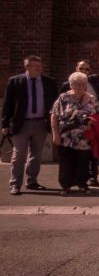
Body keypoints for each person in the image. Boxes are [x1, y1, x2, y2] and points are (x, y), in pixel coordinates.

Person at [2, 55, 59, 195]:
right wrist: (4, 124)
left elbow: (55, 104)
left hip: (41, 123)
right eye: (36, 66)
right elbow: (7, 104)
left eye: (40, 66)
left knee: (36, 154)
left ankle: (32, 181)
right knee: (19, 154)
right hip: (22, 123)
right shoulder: (15, 81)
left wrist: (54, 123)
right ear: (26, 67)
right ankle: (15, 184)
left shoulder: (49, 82)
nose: (39, 69)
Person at [50, 72, 99, 195]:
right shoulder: (63, 98)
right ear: (71, 85)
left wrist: (91, 122)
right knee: (66, 161)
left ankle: (82, 184)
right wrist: (55, 134)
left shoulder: (91, 99)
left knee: (83, 161)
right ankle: (65, 185)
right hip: (65, 137)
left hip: (84, 137)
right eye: (76, 84)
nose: (79, 87)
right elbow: (54, 115)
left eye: (82, 84)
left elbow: (98, 115)